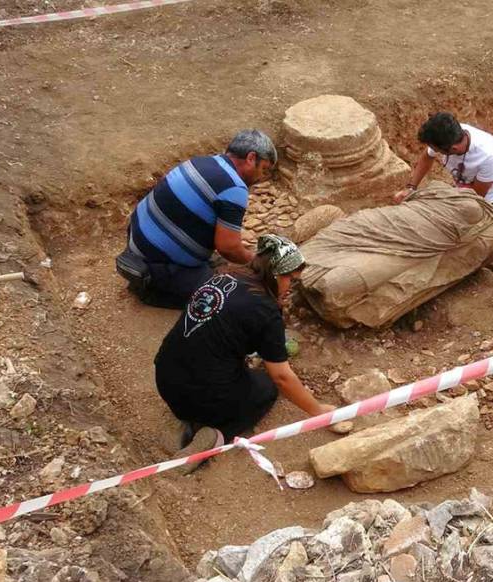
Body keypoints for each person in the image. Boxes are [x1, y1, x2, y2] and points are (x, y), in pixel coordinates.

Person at [154, 234, 338, 471]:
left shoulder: (220, 276)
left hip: (165, 379)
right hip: (204, 397)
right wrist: (317, 411)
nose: (290, 289)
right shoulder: (266, 310)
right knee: (266, 388)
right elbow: (281, 377)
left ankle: (183, 421)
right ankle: (216, 436)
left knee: (221, 365)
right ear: (275, 275)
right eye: (290, 281)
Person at [116, 130, 278, 309]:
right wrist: (256, 262)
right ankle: (152, 290)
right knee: (228, 295)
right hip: (156, 264)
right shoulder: (234, 187)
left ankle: (161, 274)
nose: (260, 178)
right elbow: (228, 249)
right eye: (263, 169)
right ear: (251, 158)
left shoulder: (200, 162)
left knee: (222, 266)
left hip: (137, 242)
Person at [393, 112, 493, 262]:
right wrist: (411, 188)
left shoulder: (490, 155)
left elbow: (476, 197)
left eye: (438, 151)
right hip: (462, 193)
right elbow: (427, 157)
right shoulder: (450, 135)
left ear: (453, 149)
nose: (435, 152)